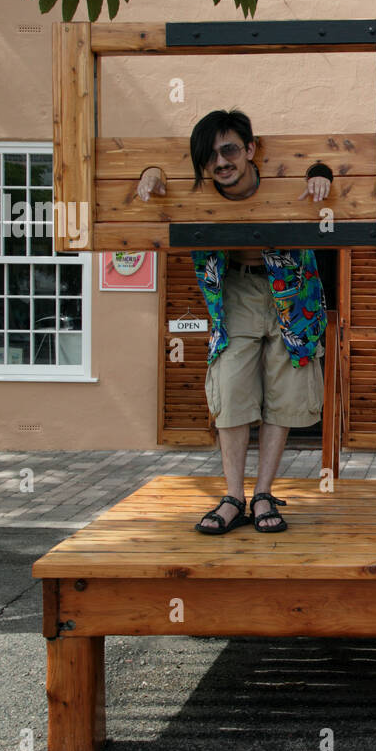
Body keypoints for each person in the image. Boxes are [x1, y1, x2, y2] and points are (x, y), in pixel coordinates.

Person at [137, 109, 331, 534]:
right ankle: (233, 497)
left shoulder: (281, 177)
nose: (220, 163)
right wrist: (152, 170)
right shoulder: (199, 187)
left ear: (250, 148)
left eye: (228, 150)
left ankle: (263, 494)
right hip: (234, 292)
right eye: (210, 157)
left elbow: (321, 163)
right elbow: (158, 170)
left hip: (291, 288)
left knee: (284, 390)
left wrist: (321, 172)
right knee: (231, 390)